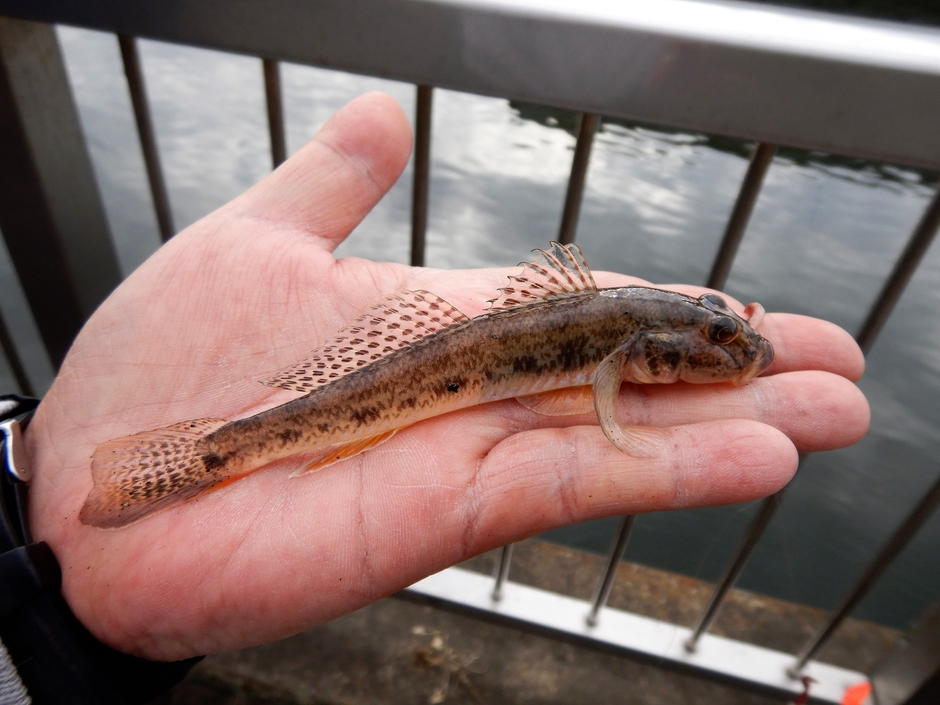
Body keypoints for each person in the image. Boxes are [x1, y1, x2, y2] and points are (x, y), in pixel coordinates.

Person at [19, 92, 868, 668]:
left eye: (724, 333)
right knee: (287, 433)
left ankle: (196, 458)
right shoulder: (623, 339)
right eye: (717, 335)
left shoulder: (636, 333)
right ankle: (204, 455)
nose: (728, 347)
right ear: (649, 350)